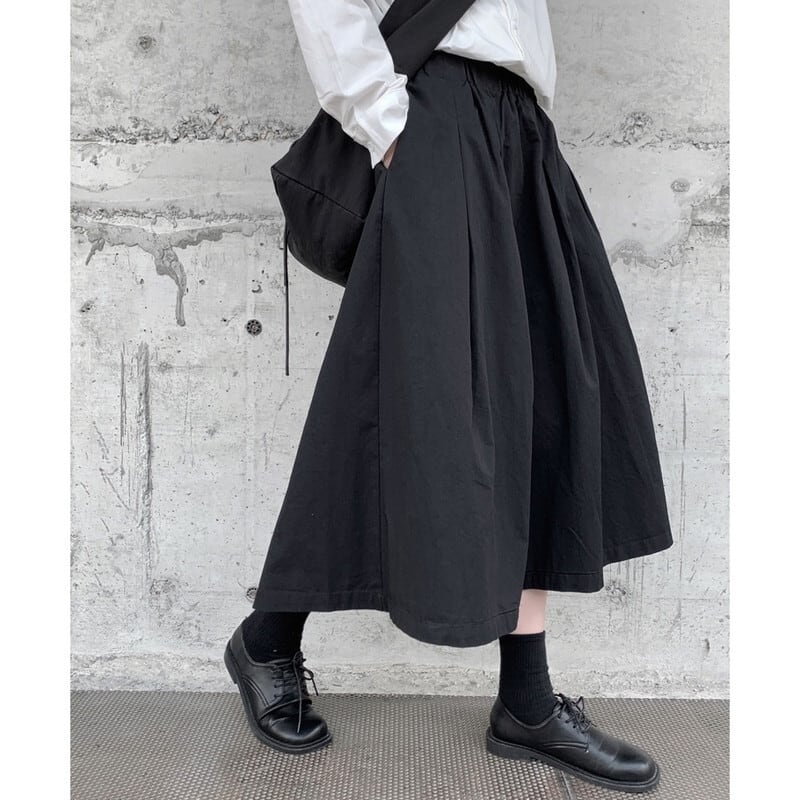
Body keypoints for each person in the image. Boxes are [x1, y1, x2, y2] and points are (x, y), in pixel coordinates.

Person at [224, 0, 673, 793]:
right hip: (435, 119)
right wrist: (388, 123)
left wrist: (521, 116)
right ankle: (268, 637)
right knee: (409, 401)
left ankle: (526, 702)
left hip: (520, 129)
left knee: (540, 400)